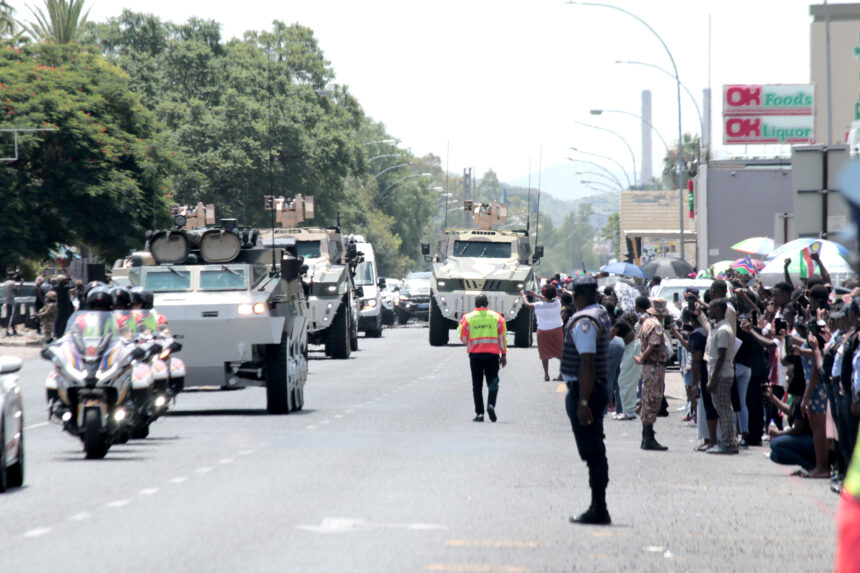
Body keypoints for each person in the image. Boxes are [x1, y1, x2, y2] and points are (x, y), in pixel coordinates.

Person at [560, 276, 612, 525]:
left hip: (586, 391)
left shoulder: (584, 322)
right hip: (593, 389)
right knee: (594, 450)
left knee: (593, 452)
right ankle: (597, 506)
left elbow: (587, 362)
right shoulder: (599, 312)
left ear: (576, 296)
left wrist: (582, 403)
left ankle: (599, 508)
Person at [458, 294, 507, 422]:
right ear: (487, 303)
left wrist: (470, 344)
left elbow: (462, 337)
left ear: (475, 303)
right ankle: (491, 404)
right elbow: (502, 338)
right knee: (493, 382)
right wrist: (504, 355)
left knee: (477, 385)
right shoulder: (497, 317)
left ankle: (479, 414)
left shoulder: (467, 318)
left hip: (475, 356)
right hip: (492, 356)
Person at [634, 298, 669, 451]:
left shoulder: (646, 322)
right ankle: (648, 438)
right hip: (654, 365)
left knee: (648, 398)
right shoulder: (656, 325)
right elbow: (653, 344)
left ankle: (646, 437)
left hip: (649, 366)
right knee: (652, 399)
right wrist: (643, 357)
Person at [706, 298, 739, 455]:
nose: (708, 311)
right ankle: (727, 440)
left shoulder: (724, 330)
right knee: (723, 407)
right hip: (719, 374)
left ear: (719, 309)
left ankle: (728, 442)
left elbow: (721, 356)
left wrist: (713, 378)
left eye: (711, 308)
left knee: (724, 408)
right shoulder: (717, 328)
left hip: (722, 375)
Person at [521, 285, 564, 381]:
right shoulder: (558, 302)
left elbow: (527, 305)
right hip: (557, 329)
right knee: (560, 353)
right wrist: (536, 295)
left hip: (543, 330)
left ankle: (546, 375)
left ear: (544, 294)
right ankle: (561, 374)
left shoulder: (539, 305)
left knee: (544, 353)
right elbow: (548, 298)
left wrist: (524, 295)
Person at [614, 319, 640, 420]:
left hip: (633, 347)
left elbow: (608, 338)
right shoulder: (617, 321)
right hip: (631, 347)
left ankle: (629, 411)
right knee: (626, 381)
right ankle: (628, 410)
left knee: (625, 380)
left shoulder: (617, 323)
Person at [2, 271, 21, 336]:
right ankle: (9, 331)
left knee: (8, 316)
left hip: (6, 301)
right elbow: (16, 292)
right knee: (12, 316)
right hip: (11, 301)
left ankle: (12, 330)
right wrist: (20, 286)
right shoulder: (12, 283)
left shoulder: (5, 283)